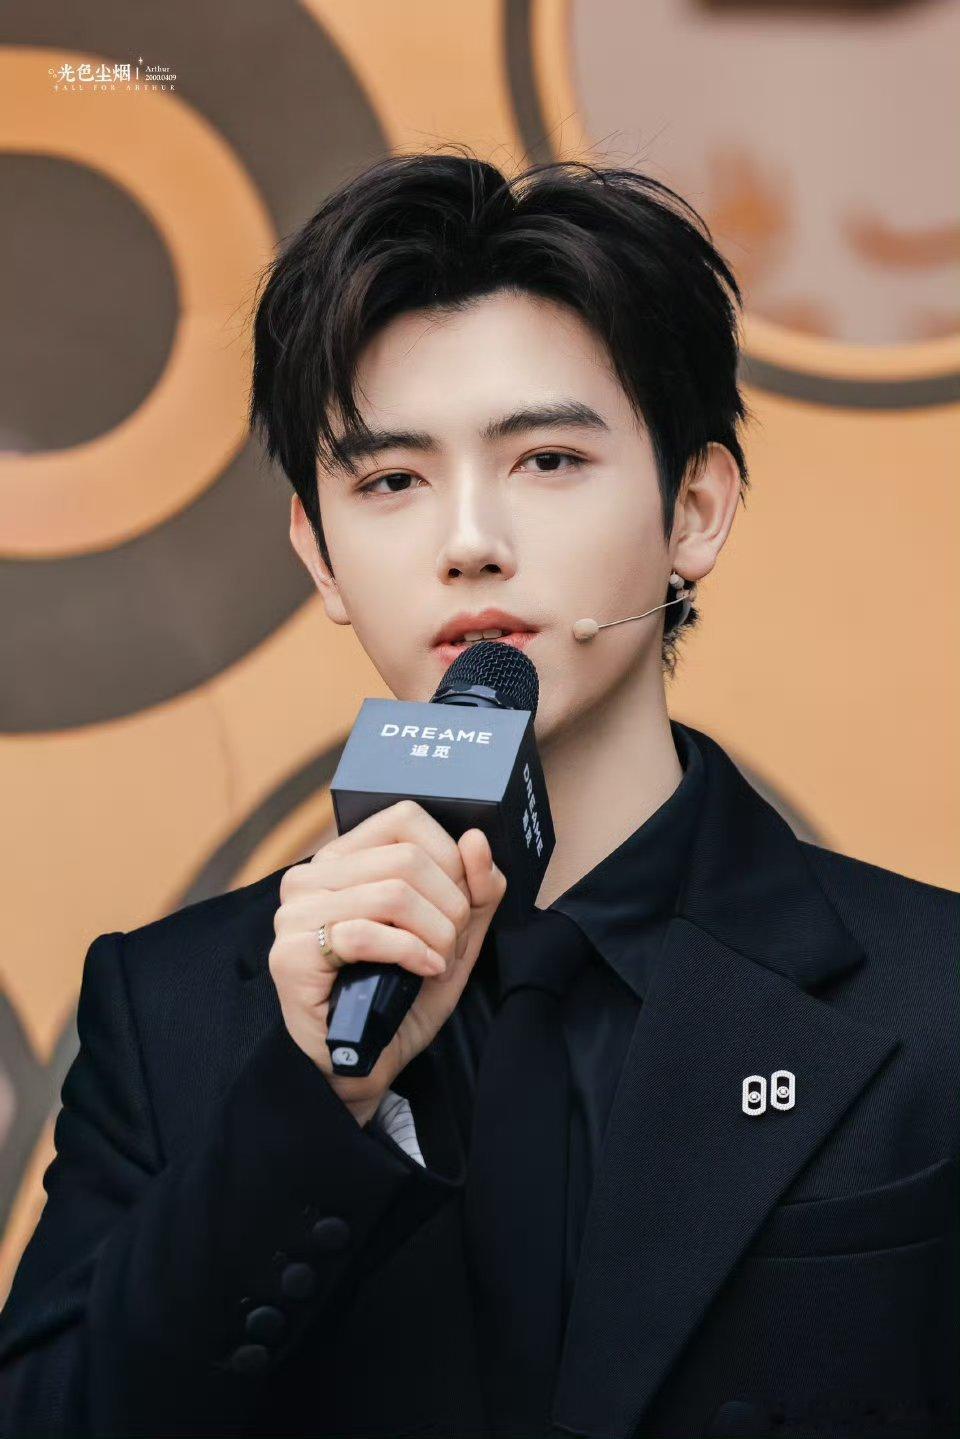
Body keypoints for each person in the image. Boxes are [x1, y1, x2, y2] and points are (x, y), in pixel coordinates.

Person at [0, 148, 957, 1439]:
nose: (468, 542)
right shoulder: (172, 1014)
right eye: (390, 481)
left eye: (547, 460)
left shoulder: (933, 998)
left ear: (694, 508)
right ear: (319, 554)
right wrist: (311, 1103)